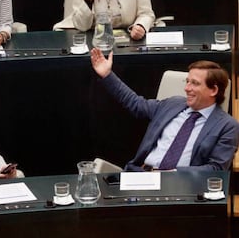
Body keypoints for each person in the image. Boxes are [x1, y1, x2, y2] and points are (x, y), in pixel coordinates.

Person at [90, 48, 239, 171]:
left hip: (183, 186)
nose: (187, 88)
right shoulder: (172, 104)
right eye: (187, 82)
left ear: (213, 90)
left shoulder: (227, 126)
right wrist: (107, 75)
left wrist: (173, 174)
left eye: (195, 83)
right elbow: (135, 103)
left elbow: (216, 168)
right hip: (142, 175)